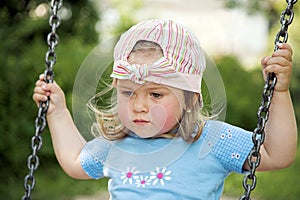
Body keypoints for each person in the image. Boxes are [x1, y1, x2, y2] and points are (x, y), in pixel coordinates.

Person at [33, 19, 297, 199]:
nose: (139, 106)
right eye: (128, 92)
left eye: (156, 94)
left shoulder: (212, 140)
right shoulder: (118, 144)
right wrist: (57, 112)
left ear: (191, 99)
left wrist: (279, 93)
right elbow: (75, 161)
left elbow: (277, 154)